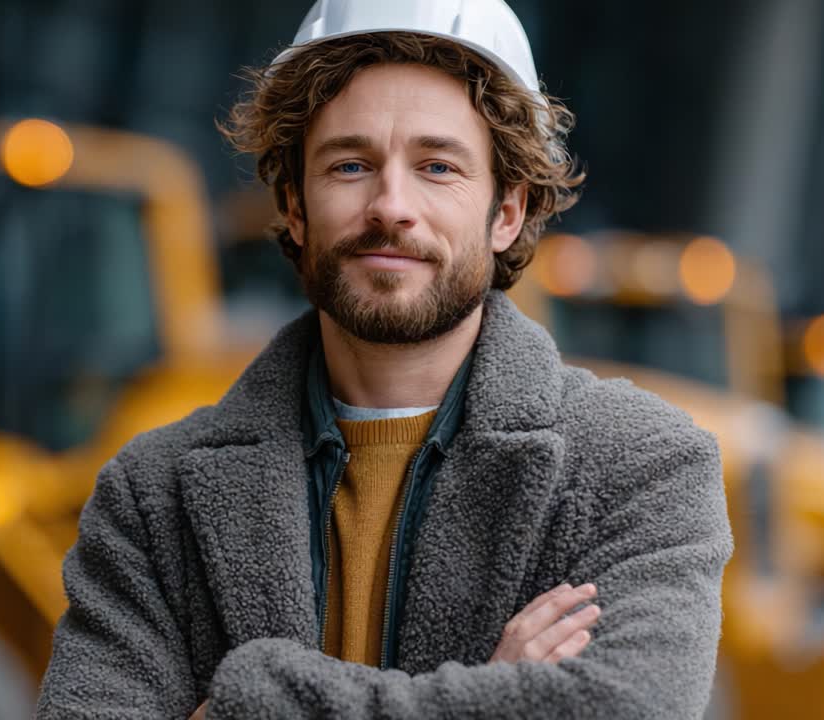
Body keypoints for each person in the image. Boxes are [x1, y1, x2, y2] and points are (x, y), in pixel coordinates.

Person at [36, 1, 733, 717]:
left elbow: (618, 709)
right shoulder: (152, 494)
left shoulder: (640, 466)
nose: (391, 205)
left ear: (507, 212)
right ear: (296, 206)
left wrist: (246, 704)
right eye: (349, 164)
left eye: (436, 166)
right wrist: (492, 697)